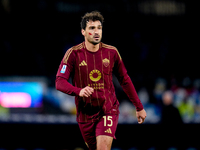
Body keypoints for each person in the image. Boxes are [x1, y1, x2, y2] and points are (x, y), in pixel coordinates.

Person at [55, 11, 147, 150]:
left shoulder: (112, 52)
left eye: (99, 28)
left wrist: (139, 107)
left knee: (103, 147)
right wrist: (79, 91)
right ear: (83, 32)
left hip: (107, 109)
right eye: (92, 28)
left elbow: (125, 80)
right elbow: (59, 82)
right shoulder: (73, 54)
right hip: (85, 115)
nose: (97, 31)